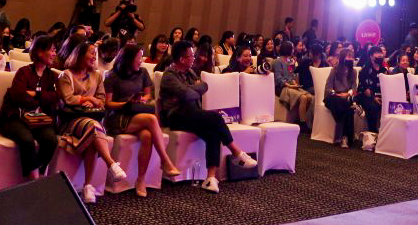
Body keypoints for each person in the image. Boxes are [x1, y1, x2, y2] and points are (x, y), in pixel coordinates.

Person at [159, 40, 256, 191]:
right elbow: (187, 94)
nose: (194, 58)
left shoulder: (190, 72)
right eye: (191, 55)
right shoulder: (169, 75)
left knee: (213, 133)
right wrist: (193, 89)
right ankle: (236, 152)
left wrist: (192, 89)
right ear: (182, 59)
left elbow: (204, 86)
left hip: (192, 113)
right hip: (175, 116)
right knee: (215, 118)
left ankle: (210, 178)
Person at [104, 43, 180, 196]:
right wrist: (126, 104)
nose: (141, 61)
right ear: (128, 59)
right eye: (138, 58)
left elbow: (148, 95)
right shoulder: (112, 76)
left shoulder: (143, 72)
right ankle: (165, 160)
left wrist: (141, 100)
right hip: (118, 116)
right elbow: (108, 103)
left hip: (137, 114)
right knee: (151, 119)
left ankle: (140, 180)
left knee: (147, 136)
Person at [57, 41, 127, 203]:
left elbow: (101, 101)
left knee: (93, 133)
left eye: (95, 54)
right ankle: (111, 164)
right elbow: (68, 99)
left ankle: (88, 186)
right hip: (69, 121)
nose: (95, 57)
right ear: (80, 55)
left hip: (91, 121)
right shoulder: (65, 75)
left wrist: (94, 101)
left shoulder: (97, 76)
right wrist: (88, 99)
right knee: (94, 128)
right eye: (91, 53)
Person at [1, 34, 61, 182]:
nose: (54, 54)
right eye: (51, 50)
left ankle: (39, 173)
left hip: (38, 118)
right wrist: (41, 99)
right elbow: (18, 96)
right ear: (39, 52)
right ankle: (34, 179)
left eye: (55, 50)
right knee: (26, 140)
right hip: (15, 117)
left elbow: (56, 97)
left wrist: (35, 94)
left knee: (51, 140)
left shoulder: (52, 76)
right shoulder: (24, 71)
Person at [322, 47, 359, 149]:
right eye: (348, 57)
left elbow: (354, 87)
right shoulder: (335, 70)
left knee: (346, 108)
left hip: (345, 97)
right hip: (333, 97)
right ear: (343, 58)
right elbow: (328, 87)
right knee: (347, 108)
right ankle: (347, 137)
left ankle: (342, 137)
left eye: (351, 57)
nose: (350, 59)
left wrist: (347, 94)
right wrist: (336, 94)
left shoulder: (353, 72)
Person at [272, 40, 314, 127]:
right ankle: (302, 123)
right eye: (292, 48)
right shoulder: (277, 61)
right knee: (303, 98)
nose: (293, 50)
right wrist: (290, 85)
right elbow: (278, 78)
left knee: (310, 97)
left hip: (290, 85)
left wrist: (295, 84)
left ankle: (304, 119)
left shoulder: (289, 60)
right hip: (282, 87)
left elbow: (291, 75)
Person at [354, 47, 387, 148]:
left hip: (381, 96)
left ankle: (386, 135)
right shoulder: (365, 70)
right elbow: (366, 90)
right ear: (371, 56)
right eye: (377, 53)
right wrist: (374, 98)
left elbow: (387, 86)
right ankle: (373, 135)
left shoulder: (384, 70)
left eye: (380, 53)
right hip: (365, 96)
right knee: (373, 107)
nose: (380, 55)